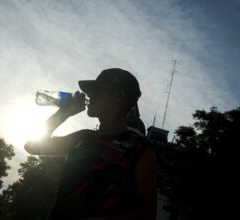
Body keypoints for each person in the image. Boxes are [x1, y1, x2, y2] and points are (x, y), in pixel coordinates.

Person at [25, 68, 157, 220]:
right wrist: (64, 113)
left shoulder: (139, 149)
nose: (89, 95)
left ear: (118, 95)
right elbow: (32, 146)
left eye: (97, 90)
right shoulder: (83, 138)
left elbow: (147, 214)